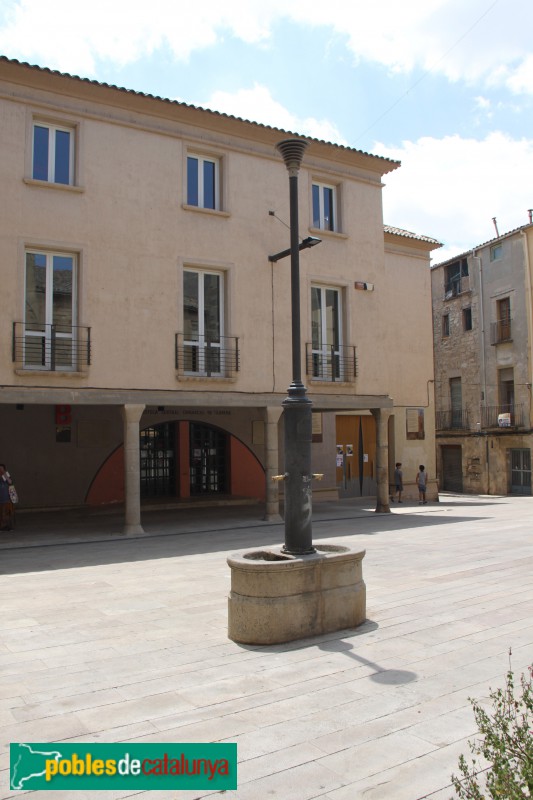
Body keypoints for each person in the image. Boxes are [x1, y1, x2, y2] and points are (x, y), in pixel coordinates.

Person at [0, 464, 14, 531]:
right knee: (1, 513)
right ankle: (2, 527)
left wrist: (4, 474)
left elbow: (10, 482)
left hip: (7, 498)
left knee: (7, 513)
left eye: (2, 469)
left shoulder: (6, 474)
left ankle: (9, 527)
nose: (0, 470)